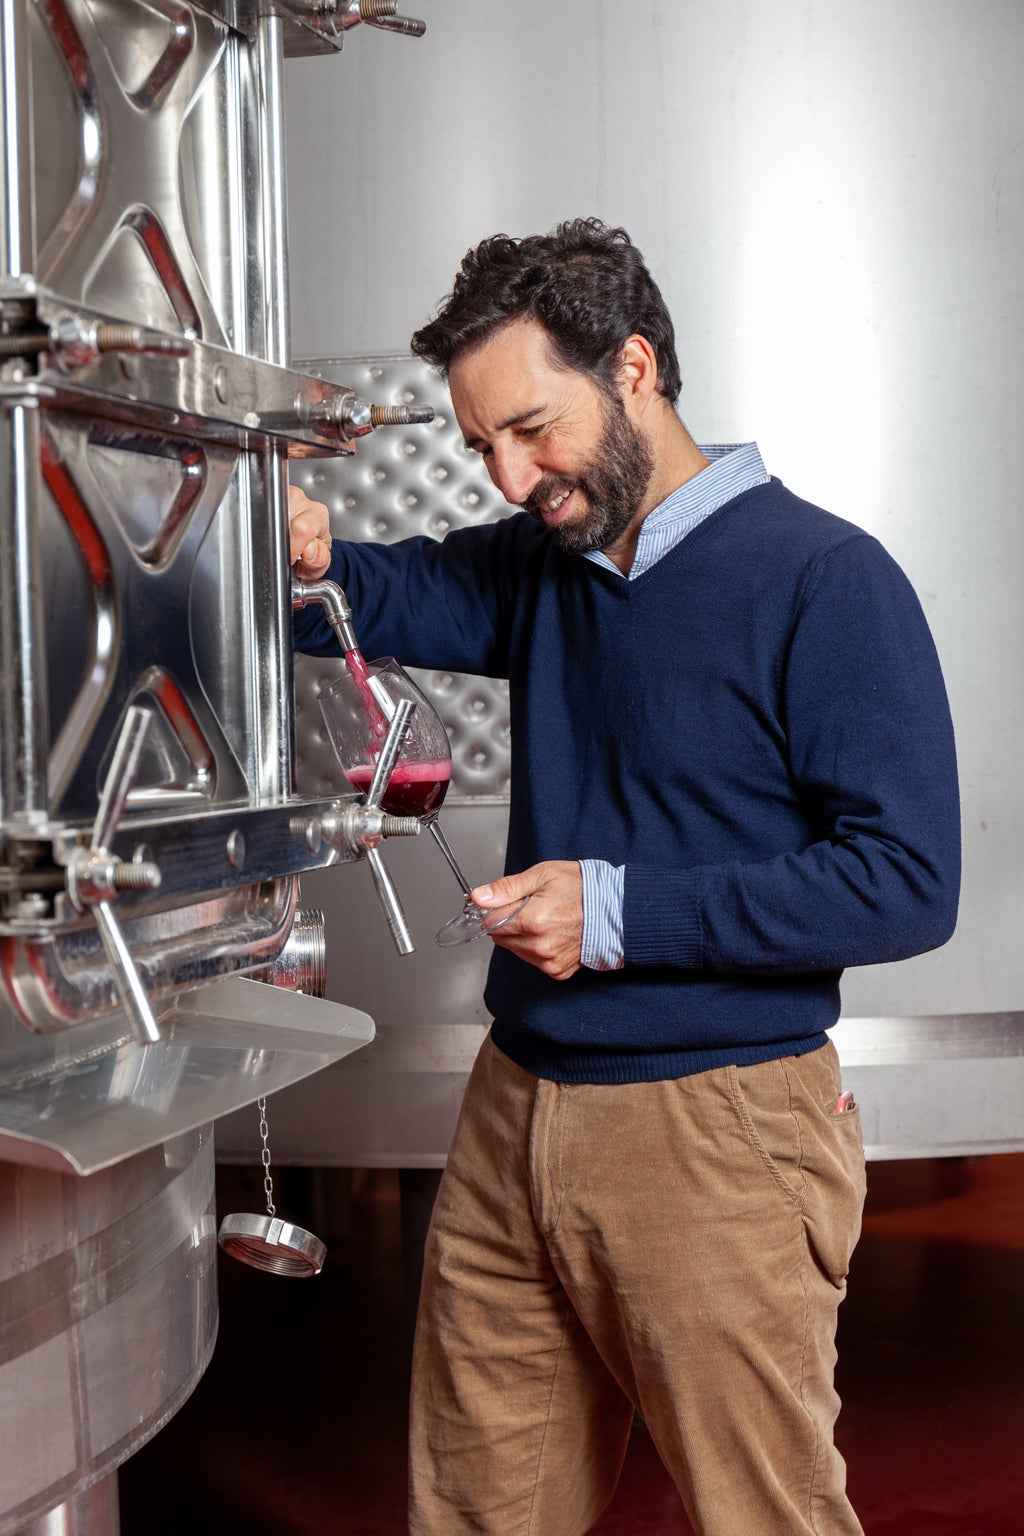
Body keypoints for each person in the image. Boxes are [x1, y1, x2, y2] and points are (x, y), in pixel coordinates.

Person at [288, 217, 960, 1536]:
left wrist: (614, 911)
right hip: (513, 1109)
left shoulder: (827, 580)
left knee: (762, 1517)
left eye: (531, 429)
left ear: (634, 368)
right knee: (476, 1512)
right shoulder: (544, 563)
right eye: (480, 446)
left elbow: (905, 882)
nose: (508, 475)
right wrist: (295, 551)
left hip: (719, 1127)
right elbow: (363, 598)